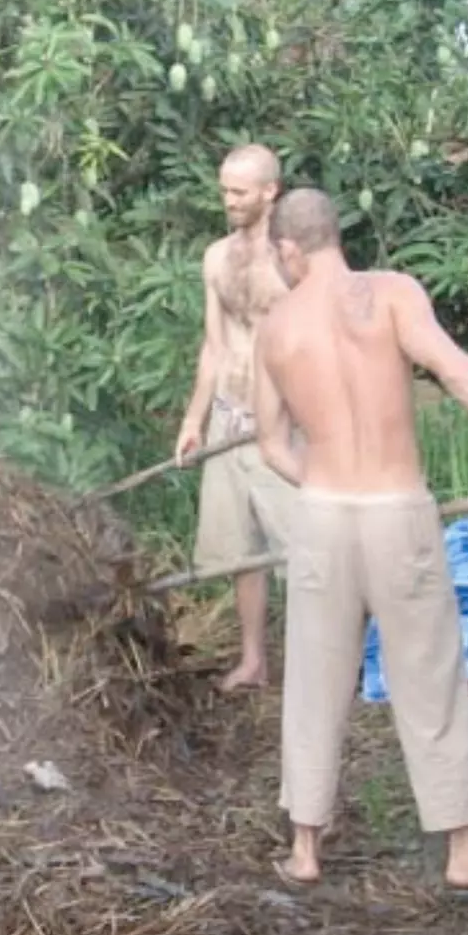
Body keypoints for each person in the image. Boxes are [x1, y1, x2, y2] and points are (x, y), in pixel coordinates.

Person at [250, 188, 468, 902]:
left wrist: (326, 483)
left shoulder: (274, 328)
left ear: (288, 248)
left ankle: (305, 848)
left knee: (313, 679)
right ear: (336, 235)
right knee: (429, 677)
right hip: (398, 513)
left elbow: (273, 443)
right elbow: (456, 373)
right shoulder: (392, 293)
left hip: (323, 517)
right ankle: (463, 853)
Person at [174, 143, 300, 692]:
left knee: (310, 549)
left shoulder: (293, 259)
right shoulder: (215, 258)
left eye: (238, 192)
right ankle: (254, 661)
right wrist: (194, 420)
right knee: (241, 552)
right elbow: (214, 345)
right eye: (223, 189)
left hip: (287, 425)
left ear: (270, 192)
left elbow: (316, 344)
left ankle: (330, 663)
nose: (227, 200)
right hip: (228, 417)